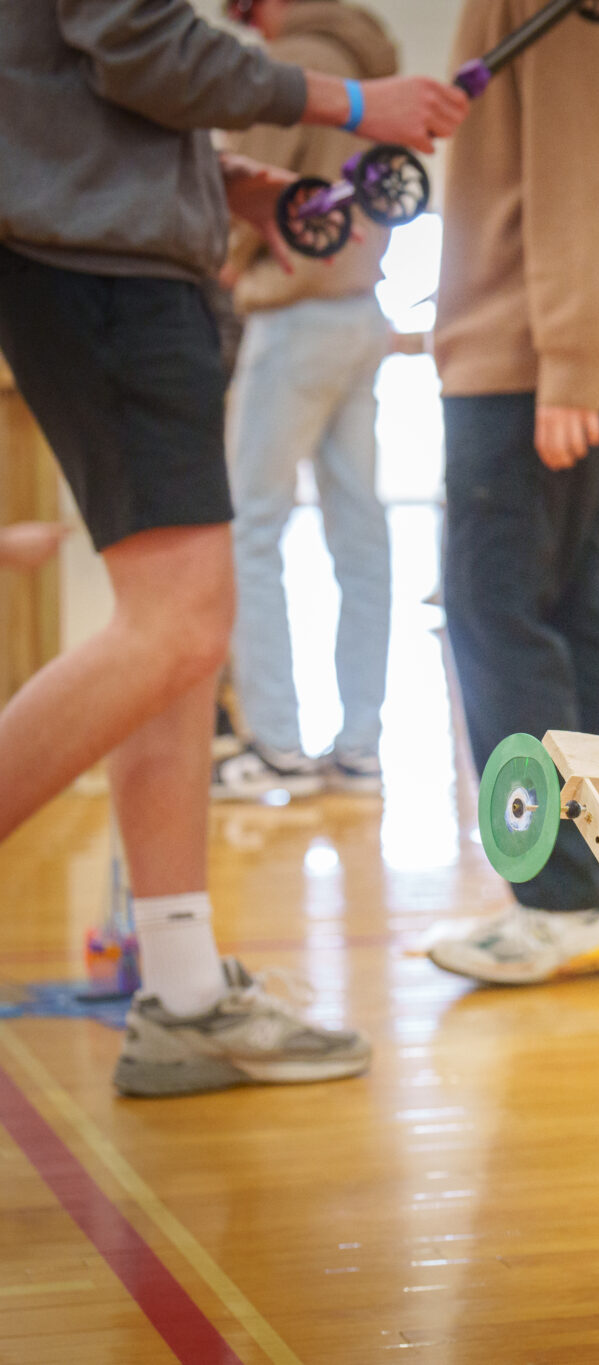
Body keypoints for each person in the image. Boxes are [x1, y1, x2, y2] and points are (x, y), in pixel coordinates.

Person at [0, 0, 463, 1096]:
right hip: (100, 269)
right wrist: (355, 104)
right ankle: (186, 996)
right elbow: (137, 40)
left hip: (116, 256)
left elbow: (93, 74)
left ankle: (185, 994)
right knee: (179, 625)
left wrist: (207, 180)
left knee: (172, 644)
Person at [425, 0, 599, 984]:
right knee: (567, 620)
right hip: (540, 357)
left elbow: (581, 174)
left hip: (527, 365)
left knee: (499, 621)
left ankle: (563, 898)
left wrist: (566, 363)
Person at [214, 0, 404, 802]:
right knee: (359, 533)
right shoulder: (377, 60)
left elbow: (242, 190)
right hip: (364, 310)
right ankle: (359, 747)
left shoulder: (289, 64)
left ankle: (276, 744)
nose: (248, 27)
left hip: (293, 314)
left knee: (249, 528)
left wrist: (222, 265)